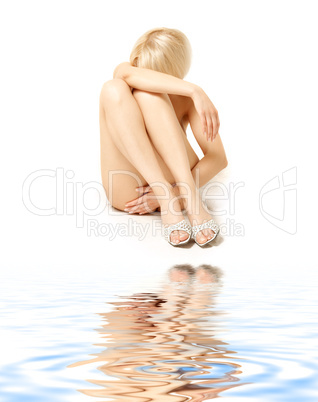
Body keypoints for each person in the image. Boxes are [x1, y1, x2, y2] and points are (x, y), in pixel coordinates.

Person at [99, 27, 228, 246]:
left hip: (177, 183)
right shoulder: (125, 72)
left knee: (149, 96)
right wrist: (196, 90)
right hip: (127, 188)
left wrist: (177, 191)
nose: (148, 79)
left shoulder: (187, 102)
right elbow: (128, 74)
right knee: (112, 88)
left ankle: (178, 195)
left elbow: (218, 158)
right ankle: (166, 194)